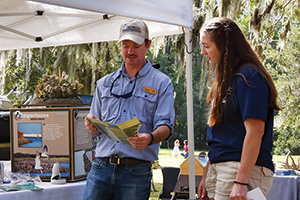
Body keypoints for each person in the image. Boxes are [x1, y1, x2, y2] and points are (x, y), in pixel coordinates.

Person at [83, 18, 175, 200]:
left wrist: (150, 138)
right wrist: (91, 127)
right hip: (101, 167)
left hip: (136, 171)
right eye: (125, 45)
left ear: (148, 44)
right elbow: (94, 133)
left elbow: (166, 127)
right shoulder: (104, 83)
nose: (130, 51)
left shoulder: (162, 83)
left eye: (136, 45)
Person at [197, 17, 281, 200]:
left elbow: (255, 131)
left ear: (226, 47)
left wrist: (241, 182)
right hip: (221, 166)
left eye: (207, 45)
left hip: (241, 169)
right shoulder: (226, 79)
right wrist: (207, 173)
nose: (203, 52)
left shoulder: (249, 76)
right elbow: (222, 134)